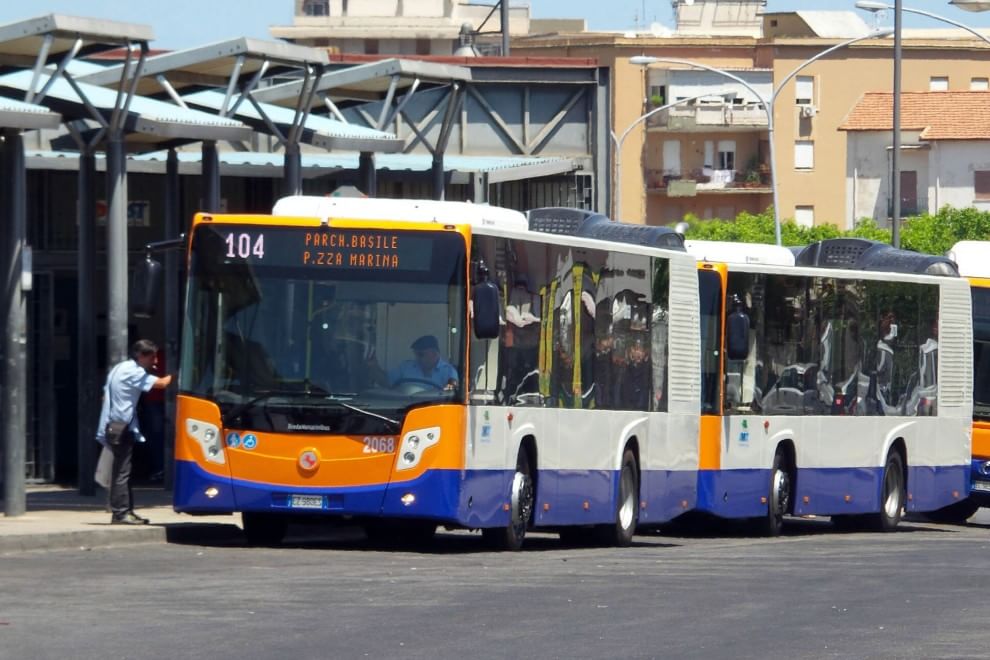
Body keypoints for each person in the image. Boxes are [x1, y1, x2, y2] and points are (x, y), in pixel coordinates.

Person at [95, 339, 173, 525]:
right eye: (152, 358)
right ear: (141, 356)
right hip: (121, 427)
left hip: (114, 424)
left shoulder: (119, 368)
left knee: (123, 471)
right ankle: (121, 513)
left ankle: (126, 510)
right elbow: (161, 383)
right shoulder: (133, 371)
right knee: (122, 472)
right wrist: (183, 372)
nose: (154, 362)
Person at [370, 335, 458, 390]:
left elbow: (451, 391)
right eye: (416, 354)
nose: (417, 358)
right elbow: (387, 382)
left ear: (434, 354)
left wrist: (450, 386)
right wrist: (373, 366)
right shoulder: (406, 367)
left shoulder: (449, 372)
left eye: (421, 354)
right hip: (403, 410)